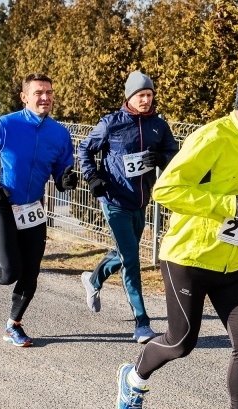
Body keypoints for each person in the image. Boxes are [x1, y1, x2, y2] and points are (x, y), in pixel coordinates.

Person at [116, 69, 238, 409]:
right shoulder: (212, 137)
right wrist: (228, 206)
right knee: (181, 343)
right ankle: (134, 378)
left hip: (233, 260)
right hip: (189, 258)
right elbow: (166, 190)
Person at [0, 73, 77, 347]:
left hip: (33, 208)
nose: (45, 97)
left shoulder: (59, 134)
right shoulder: (4, 125)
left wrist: (65, 179)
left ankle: (13, 325)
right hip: (3, 205)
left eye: (49, 92)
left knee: (31, 271)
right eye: (38, 93)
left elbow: (61, 169)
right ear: (24, 97)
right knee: (9, 271)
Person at [77, 71, 178, 344]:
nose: (146, 100)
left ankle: (93, 280)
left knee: (125, 254)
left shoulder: (159, 125)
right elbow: (85, 149)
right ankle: (142, 323)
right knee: (131, 261)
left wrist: (162, 157)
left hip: (141, 202)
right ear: (129, 97)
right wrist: (93, 177)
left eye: (149, 95)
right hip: (114, 201)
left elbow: (174, 156)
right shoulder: (111, 124)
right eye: (140, 95)